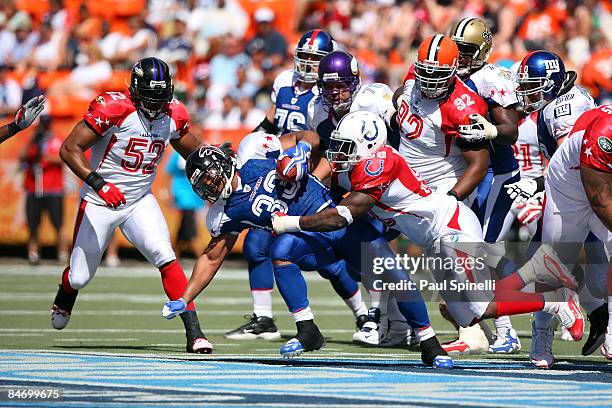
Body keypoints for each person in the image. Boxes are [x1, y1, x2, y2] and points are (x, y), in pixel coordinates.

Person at [270, 110, 585, 356]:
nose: (338, 154)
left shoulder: (379, 162)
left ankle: (555, 299)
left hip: (450, 226)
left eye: (346, 147)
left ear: (369, 145)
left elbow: (343, 216)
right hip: (434, 237)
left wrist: (289, 223)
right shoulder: (357, 168)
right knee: (467, 315)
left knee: (478, 302)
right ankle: (550, 296)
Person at [162, 131, 452, 368]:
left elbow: (311, 136)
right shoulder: (224, 213)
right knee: (282, 248)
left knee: (395, 276)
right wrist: (185, 297)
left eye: (211, 179)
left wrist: (301, 150)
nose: (209, 188)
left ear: (225, 165)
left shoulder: (253, 151)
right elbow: (212, 257)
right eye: (203, 186)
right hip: (310, 240)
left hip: (340, 220)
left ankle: (430, 342)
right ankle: (308, 330)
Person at [50, 57, 212, 354]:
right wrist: (100, 184)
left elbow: (195, 150)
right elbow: (69, 149)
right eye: (150, 97)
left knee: (165, 255)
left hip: (139, 199)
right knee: (80, 276)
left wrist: (213, 156)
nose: (155, 105)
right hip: (99, 200)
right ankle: (66, 291)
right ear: (135, 91)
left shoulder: (173, 114)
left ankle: (195, 332)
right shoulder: (114, 109)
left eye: (160, 97)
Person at [225, 30, 363, 342]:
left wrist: (314, 174)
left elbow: (326, 141)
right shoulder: (284, 82)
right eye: (306, 58)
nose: (309, 65)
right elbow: (271, 123)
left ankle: (365, 313)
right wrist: (248, 144)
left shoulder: (328, 93)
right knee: (256, 245)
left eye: (316, 60)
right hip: (276, 172)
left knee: (326, 259)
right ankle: (263, 318)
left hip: (309, 178)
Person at [510, 50, 607, 368]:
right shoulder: (561, 101)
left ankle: (545, 341)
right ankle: (544, 337)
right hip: (578, 188)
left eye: (533, 86)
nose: (527, 93)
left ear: (551, 83)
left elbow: (572, 161)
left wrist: (536, 184)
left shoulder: (562, 109)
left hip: (581, 190)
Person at [448, 17, 522, 354]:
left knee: (482, 251)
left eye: (465, 50)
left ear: (482, 51)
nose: (459, 56)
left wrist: (491, 131)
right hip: (472, 175)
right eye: (456, 49)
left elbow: (511, 130)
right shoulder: (447, 74)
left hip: (497, 175)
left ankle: (506, 331)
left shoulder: (492, 78)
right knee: (474, 250)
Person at [20, 115, 68, 264]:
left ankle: (62, 253)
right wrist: (33, 142)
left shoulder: (56, 139)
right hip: (34, 188)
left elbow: (63, 157)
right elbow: (22, 157)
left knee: (58, 223)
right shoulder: (34, 140)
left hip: (53, 188)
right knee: (33, 224)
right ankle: (33, 253)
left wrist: (46, 156)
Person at [166, 151, 204, 258]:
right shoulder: (177, 154)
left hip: (195, 197)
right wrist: (168, 192)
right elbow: (169, 172)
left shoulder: (202, 151)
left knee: (182, 232)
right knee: (193, 232)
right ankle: (205, 259)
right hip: (184, 197)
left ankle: (170, 258)